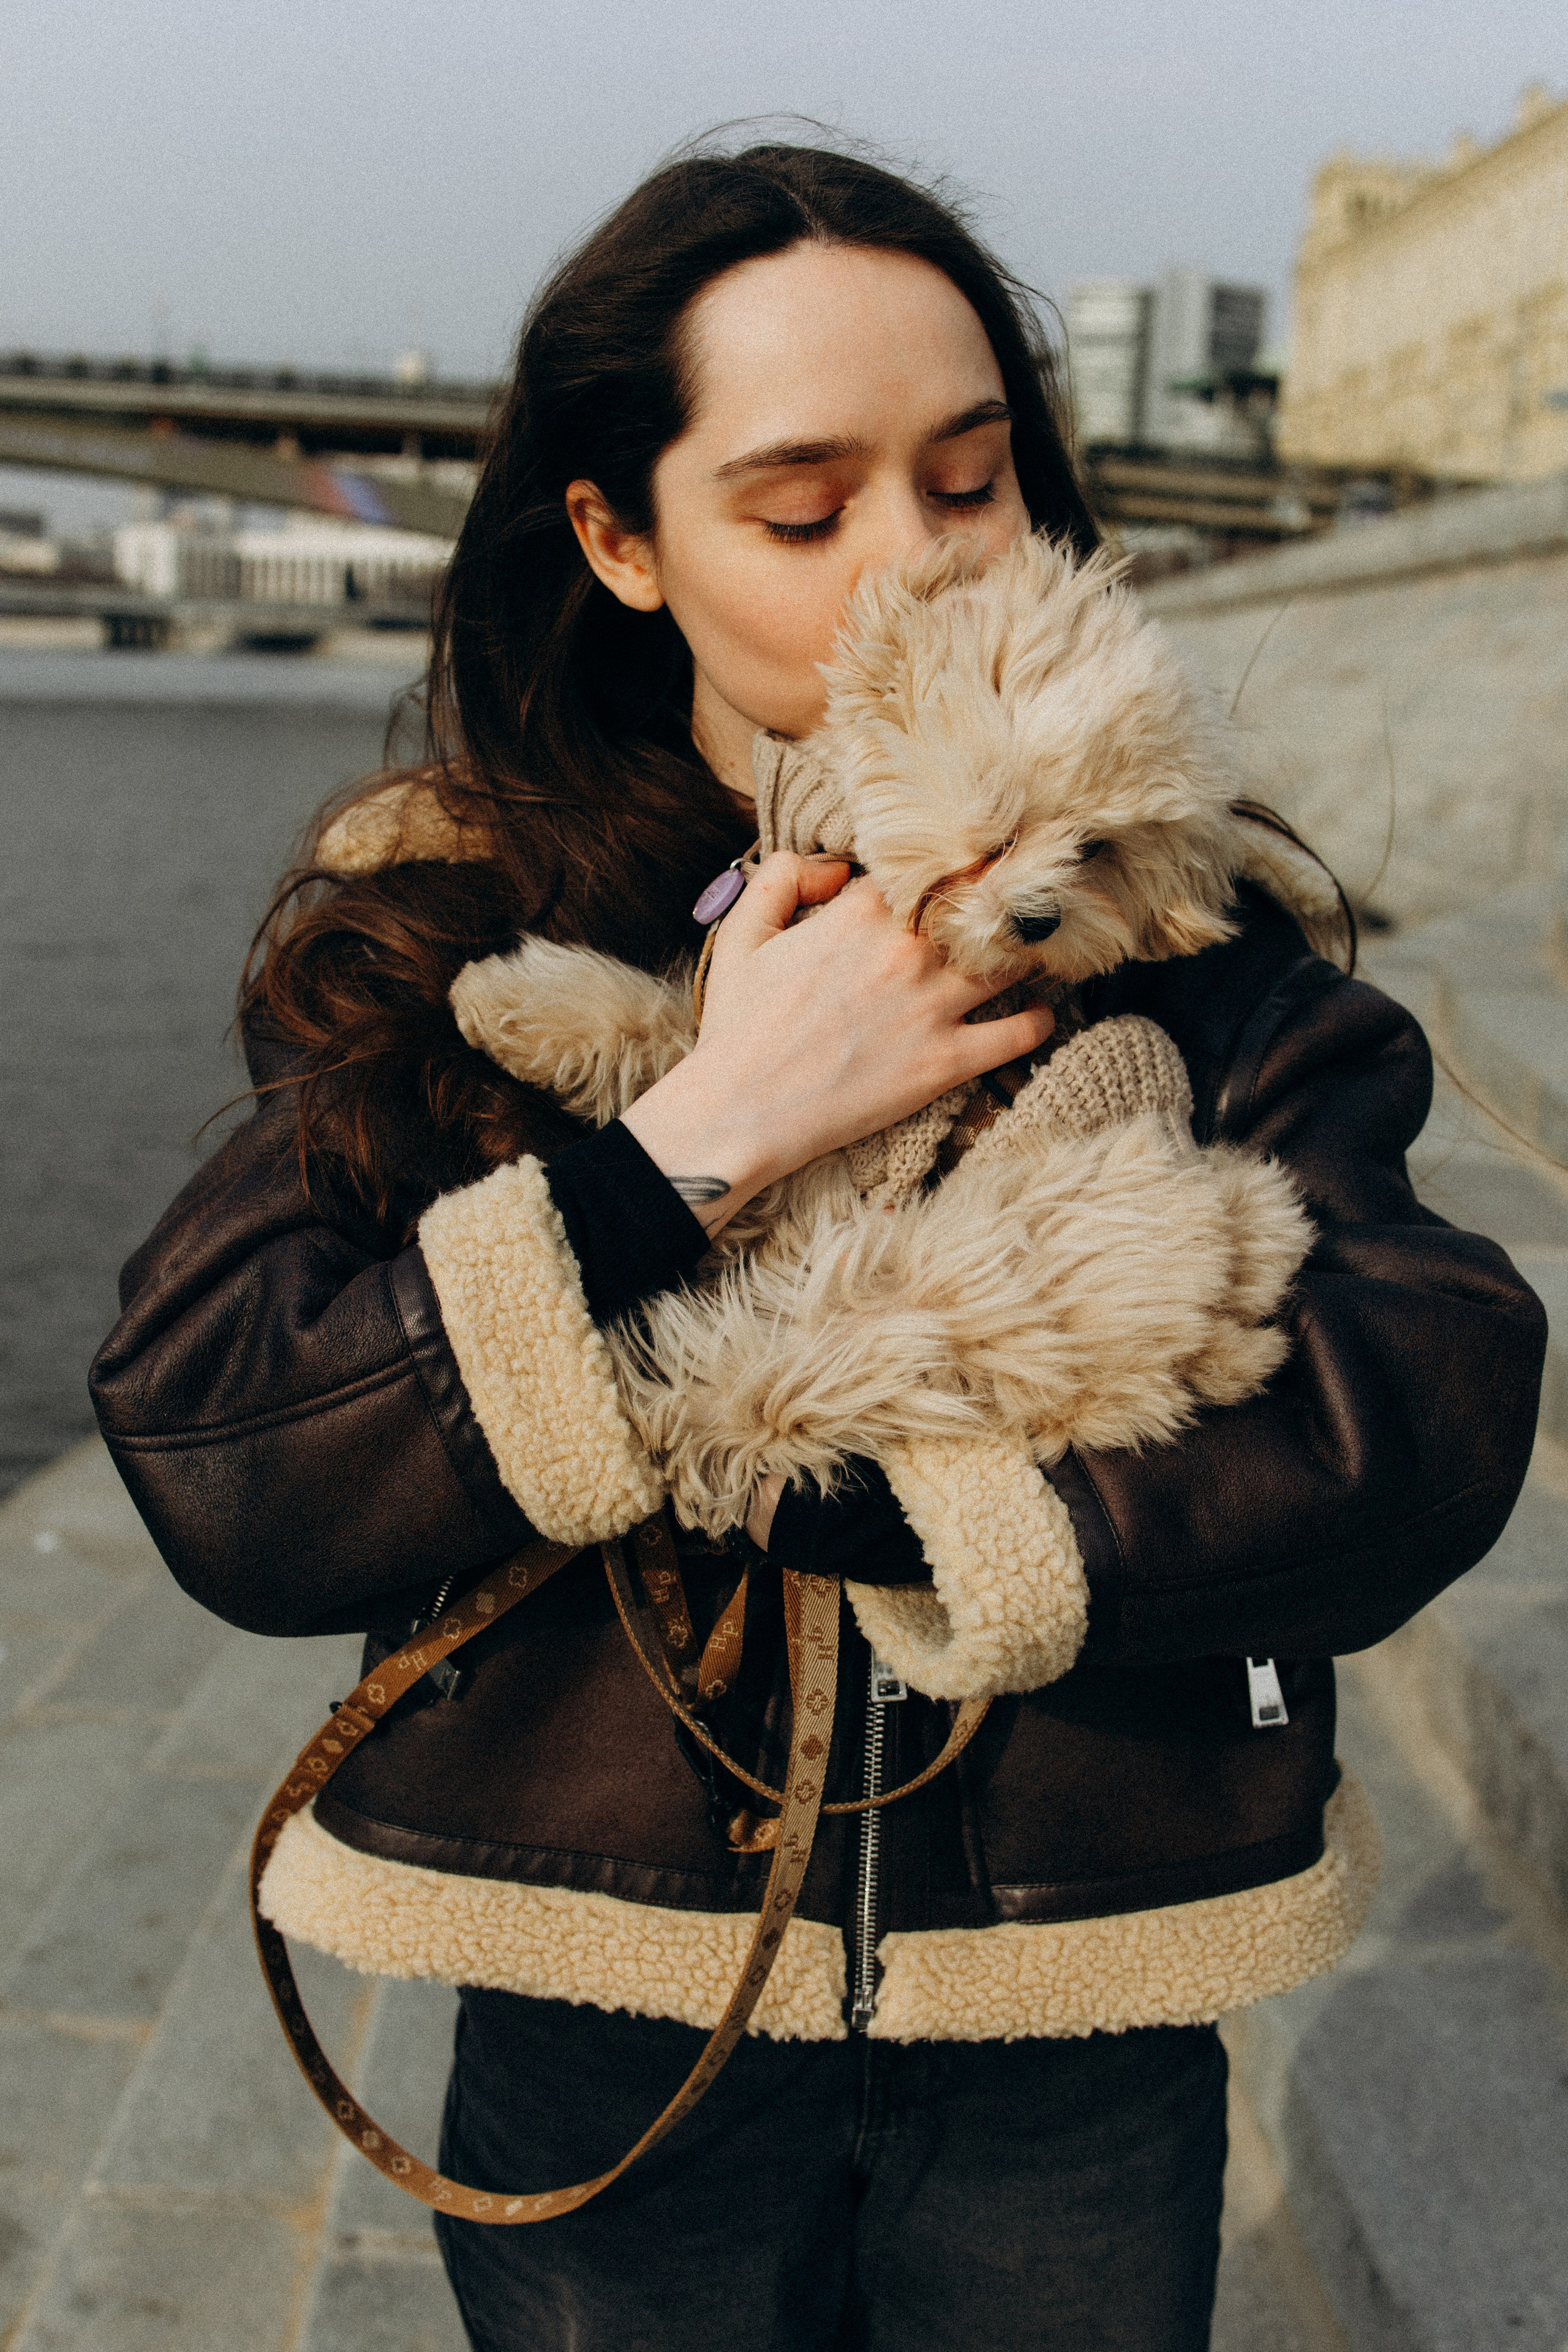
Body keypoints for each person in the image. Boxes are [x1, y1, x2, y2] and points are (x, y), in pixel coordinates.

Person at [90, 143, 1546, 2352]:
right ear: (619, 538)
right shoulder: (457, 914)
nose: (911, 569)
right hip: (611, 2018)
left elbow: (1421, 1398)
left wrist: (870, 1484)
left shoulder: (1187, 937)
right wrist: (701, 1137)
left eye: (971, 481)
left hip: (1078, 2018)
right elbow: (225, 1442)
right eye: (802, 510)